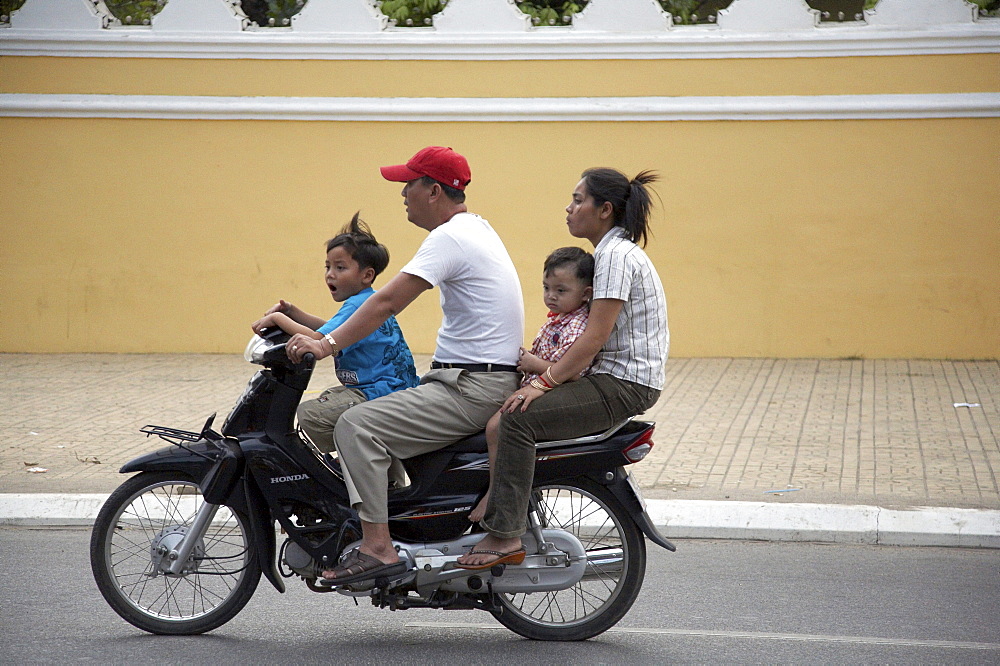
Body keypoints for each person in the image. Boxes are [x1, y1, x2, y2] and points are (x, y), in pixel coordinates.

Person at [283, 146, 524, 585]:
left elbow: (387, 301)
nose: (402, 193)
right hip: (469, 378)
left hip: (471, 386)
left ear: (434, 191)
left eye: (408, 185)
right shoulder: (476, 230)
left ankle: (377, 548)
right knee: (378, 419)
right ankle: (393, 514)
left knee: (355, 426)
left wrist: (326, 345)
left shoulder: (450, 237)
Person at [457, 167, 668, 569]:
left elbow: (592, 339)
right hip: (615, 378)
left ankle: (505, 535)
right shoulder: (612, 253)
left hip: (622, 383)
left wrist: (543, 382)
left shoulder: (614, 257)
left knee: (519, 417)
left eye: (577, 200)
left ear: (604, 209)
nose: (568, 209)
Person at [252, 213, 419, 457]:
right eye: (328, 267)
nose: (330, 274)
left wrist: (278, 319)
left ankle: (350, 460)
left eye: (340, 268)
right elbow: (330, 330)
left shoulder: (358, 305)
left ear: (366, 275)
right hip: (391, 389)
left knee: (311, 414)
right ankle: (381, 471)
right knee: (330, 397)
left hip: (379, 393)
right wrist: (293, 312)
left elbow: (319, 341)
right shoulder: (364, 301)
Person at [467, 246, 594, 523]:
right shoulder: (561, 320)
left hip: (555, 390)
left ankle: (495, 492)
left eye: (561, 290)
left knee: (496, 426)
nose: (551, 296)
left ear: (585, 293)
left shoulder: (576, 326)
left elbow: (571, 372)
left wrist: (533, 364)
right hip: (540, 384)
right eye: (547, 287)